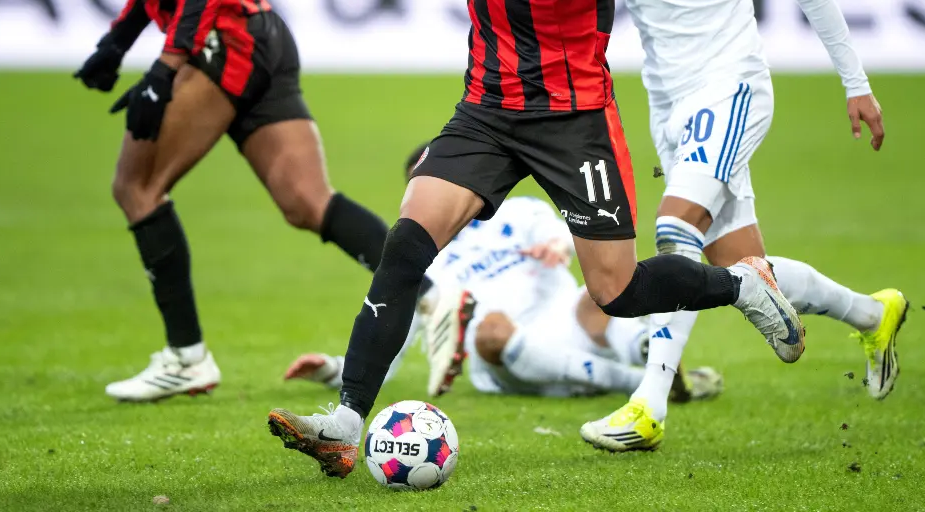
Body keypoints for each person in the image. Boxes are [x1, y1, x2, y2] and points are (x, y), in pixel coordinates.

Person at [265, 0, 804, 480]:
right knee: (405, 247)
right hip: (486, 111)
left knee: (618, 289)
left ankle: (742, 285)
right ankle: (346, 422)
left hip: (570, 116)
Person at [24, 0, 393, 401]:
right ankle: (436, 301)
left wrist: (164, 70)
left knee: (135, 186)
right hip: (257, 31)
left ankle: (187, 356)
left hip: (229, 42)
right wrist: (116, 43)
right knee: (306, 201)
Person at [579, 0, 909, 453]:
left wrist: (857, 85)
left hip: (732, 91)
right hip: (668, 105)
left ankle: (648, 407)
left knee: (675, 232)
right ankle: (875, 315)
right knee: (742, 268)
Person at [283, 145, 724, 402]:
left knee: (605, 290)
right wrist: (334, 371)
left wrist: (558, 246)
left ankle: (649, 359)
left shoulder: (518, 211)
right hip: (507, 354)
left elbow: (565, 233)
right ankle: (646, 383)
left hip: (569, 320)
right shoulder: (420, 257)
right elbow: (392, 336)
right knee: (491, 330)